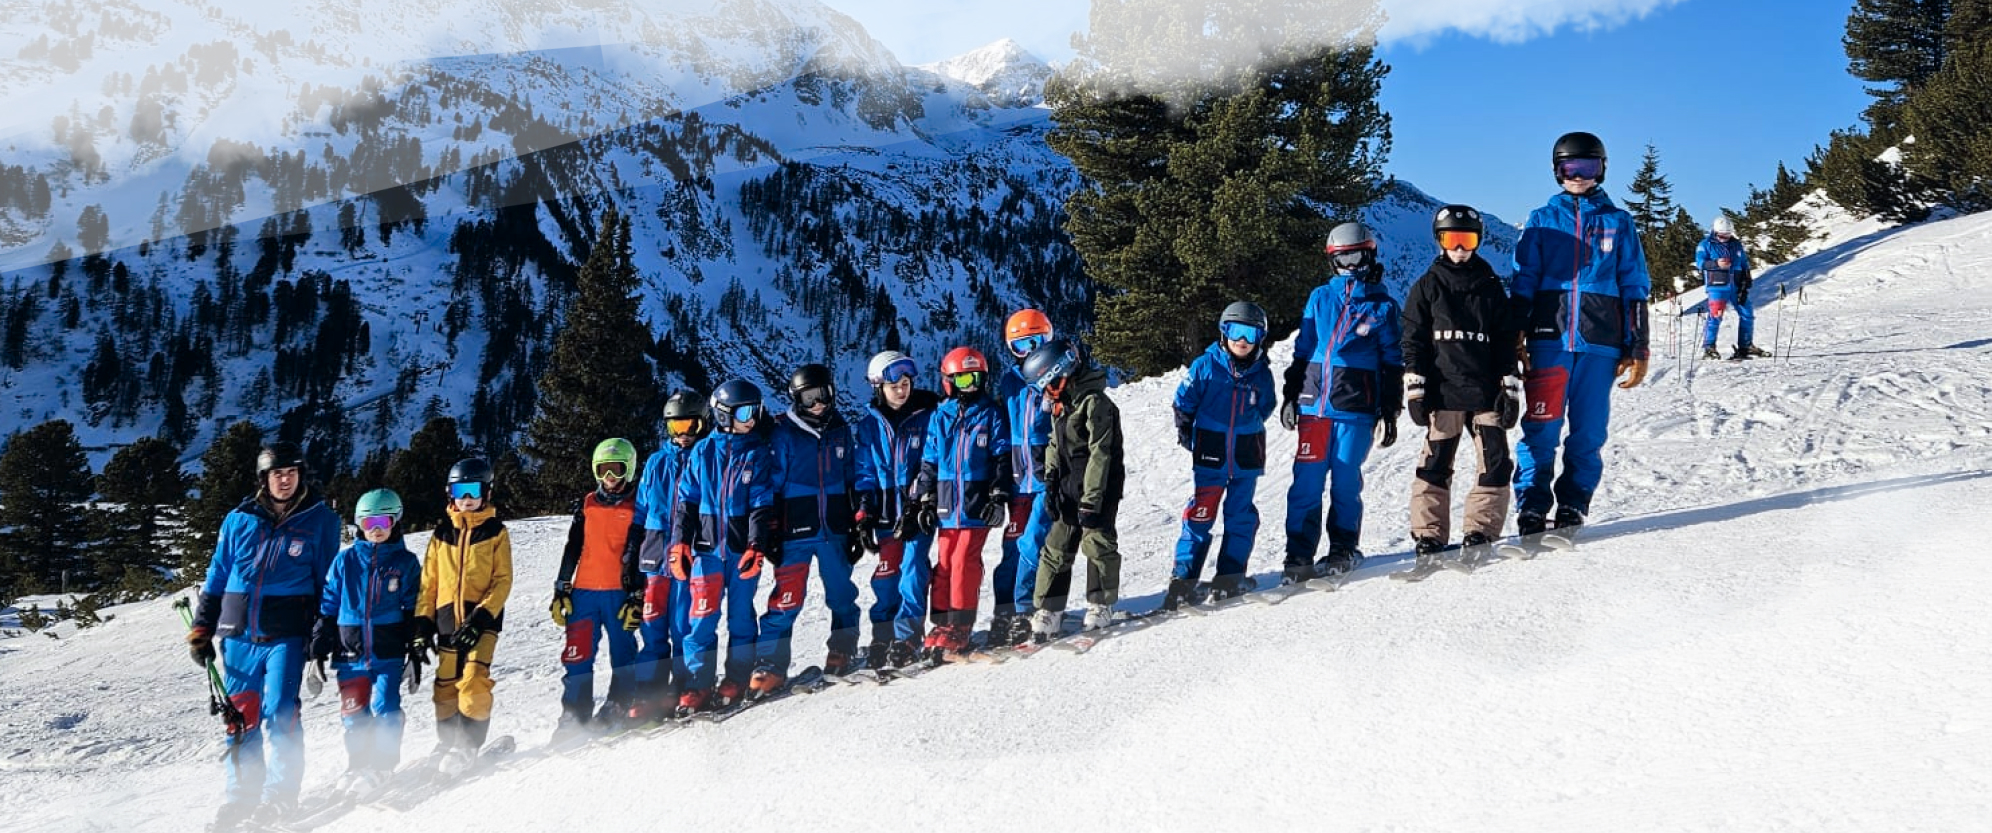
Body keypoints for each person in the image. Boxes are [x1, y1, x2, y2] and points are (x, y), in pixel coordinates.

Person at [186, 442, 341, 829]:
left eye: (291, 472)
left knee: (281, 712)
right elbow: (217, 574)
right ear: (264, 478)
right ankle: (242, 797)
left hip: (286, 635)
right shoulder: (238, 519)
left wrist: (323, 630)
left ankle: (281, 797)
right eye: (277, 473)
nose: (284, 480)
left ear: (300, 476)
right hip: (237, 634)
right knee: (240, 717)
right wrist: (203, 627)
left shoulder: (320, 520)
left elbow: (328, 581)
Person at [1509, 131, 1652, 539]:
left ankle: (1573, 502)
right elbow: (1525, 280)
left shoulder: (1618, 222)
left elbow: (1634, 284)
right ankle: (1532, 505)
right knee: (1542, 427)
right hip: (1548, 339)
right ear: (1556, 171)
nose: (1578, 177)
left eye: (1587, 168)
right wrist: (1517, 332)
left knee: (1588, 430)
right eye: (1569, 169)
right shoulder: (1542, 218)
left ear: (1601, 169)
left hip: (1600, 342)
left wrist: (1637, 345)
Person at [1278, 222, 1404, 584]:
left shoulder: (1382, 306)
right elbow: (1303, 350)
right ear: (1333, 261)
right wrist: (1291, 394)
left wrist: (1389, 410)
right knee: (1306, 482)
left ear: (1369, 256)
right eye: (1342, 259)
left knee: (1346, 480)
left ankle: (1343, 547)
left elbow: (1392, 362)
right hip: (1314, 408)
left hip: (1355, 408)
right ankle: (1298, 554)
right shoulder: (1320, 297)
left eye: (1356, 257)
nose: (1350, 266)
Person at [1400, 205, 1521, 569]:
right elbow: (1413, 340)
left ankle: (1480, 532)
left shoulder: (1489, 286)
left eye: (1466, 240)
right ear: (1440, 242)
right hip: (1443, 391)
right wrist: (1416, 388)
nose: (1459, 248)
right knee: (1435, 463)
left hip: (1485, 391)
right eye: (1452, 240)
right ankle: (1429, 536)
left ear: (1477, 242)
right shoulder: (1427, 286)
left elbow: (1504, 342)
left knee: (1495, 461)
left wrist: (1509, 387)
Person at [667, 379, 778, 715]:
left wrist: (756, 546)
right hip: (705, 552)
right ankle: (698, 684)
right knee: (701, 619)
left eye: (756, 410)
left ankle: (737, 678)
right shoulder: (703, 452)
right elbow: (686, 501)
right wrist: (679, 544)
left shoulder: (757, 453)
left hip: (741, 552)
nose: (753, 418)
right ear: (724, 414)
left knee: (742, 618)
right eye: (746, 411)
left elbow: (762, 502)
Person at [310, 488, 422, 799]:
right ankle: (358, 764)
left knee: (386, 709)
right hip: (349, 654)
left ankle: (383, 765)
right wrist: (318, 647)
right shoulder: (345, 562)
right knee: (353, 713)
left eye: (383, 521)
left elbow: (414, 608)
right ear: (359, 523)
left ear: (395, 521)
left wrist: (414, 650)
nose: (376, 528)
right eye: (369, 521)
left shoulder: (406, 563)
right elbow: (329, 606)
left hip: (387, 652)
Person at [1166, 302, 1277, 609]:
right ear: (1224, 333)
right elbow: (1183, 400)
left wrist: (1244, 429)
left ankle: (1230, 576)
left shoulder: (1261, 374)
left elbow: (1266, 407)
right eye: (1235, 332)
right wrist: (1187, 429)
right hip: (1211, 453)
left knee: (1241, 516)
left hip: (1246, 455)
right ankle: (1183, 580)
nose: (1242, 341)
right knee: (1201, 513)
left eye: (1250, 334)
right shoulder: (1206, 366)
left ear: (1260, 339)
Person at [760, 364, 863, 688]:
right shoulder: (784, 433)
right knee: (785, 600)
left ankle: (843, 647)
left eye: (823, 395)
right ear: (796, 400)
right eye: (808, 398)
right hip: (795, 533)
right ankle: (770, 664)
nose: (817, 404)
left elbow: (851, 480)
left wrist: (857, 523)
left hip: (834, 529)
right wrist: (772, 530)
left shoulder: (840, 429)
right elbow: (772, 486)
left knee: (841, 594)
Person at [910, 347, 1011, 661]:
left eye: (977, 378)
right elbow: (929, 462)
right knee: (944, 564)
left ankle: (960, 625)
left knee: (963, 562)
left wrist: (997, 496)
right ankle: (941, 624)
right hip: (945, 505)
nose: (971, 385)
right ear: (949, 381)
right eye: (964, 378)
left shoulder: (990, 413)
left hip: (975, 504)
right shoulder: (940, 416)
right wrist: (925, 501)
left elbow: (1001, 459)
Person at [1019, 337, 1124, 638]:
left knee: (1098, 544)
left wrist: (1092, 499)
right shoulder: (1062, 405)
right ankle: (1049, 609)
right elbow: (1054, 444)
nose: (1046, 394)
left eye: (1047, 385)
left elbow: (1100, 454)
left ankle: (1100, 603)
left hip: (1099, 488)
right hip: (1067, 487)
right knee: (1056, 547)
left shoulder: (1095, 403)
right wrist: (1050, 482)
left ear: (1062, 374)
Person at [415, 457, 513, 777]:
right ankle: (447, 742)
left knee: (472, 682)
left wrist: (482, 618)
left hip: (481, 624)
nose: (466, 498)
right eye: (460, 490)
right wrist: (422, 624)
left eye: (473, 490)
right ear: (450, 494)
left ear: (486, 491)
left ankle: (468, 743)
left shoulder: (496, 532)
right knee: (445, 687)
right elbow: (429, 584)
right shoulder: (442, 534)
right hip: (446, 623)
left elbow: (502, 580)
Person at [850, 351, 941, 669]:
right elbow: (864, 474)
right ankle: (882, 636)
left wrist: (924, 500)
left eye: (905, 383)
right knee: (886, 578)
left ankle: (906, 637)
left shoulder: (927, 416)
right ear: (878, 388)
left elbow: (935, 461)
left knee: (913, 571)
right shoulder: (868, 427)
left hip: (916, 514)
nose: (902, 390)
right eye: (894, 386)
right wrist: (864, 514)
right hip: (887, 515)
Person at [549, 439, 645, 736]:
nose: (610, 478)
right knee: (577, 654)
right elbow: (573, 546)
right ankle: (574, 712)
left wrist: (637, 595)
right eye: (603, 470)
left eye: (616, 470)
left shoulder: (638, 505)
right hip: (584, 593)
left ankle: (619, 703)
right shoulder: (588, 503)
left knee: (623, 653)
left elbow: (642, 552)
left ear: (628, 470)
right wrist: (562, 587)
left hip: (619, 592)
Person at [629, 390, 710, 721]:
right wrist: (633, 548)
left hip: (686, 555)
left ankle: (686, 685)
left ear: (702, 423)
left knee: (682, 626)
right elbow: (642, 508)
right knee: (651, 627)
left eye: (689, 424)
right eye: (675, 427)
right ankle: (649, 690)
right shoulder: (656, 461)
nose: (683, 434)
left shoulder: (704, 457)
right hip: (654, 555)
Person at [992, 309, 1056, 647]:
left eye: (1035, 342)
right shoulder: (1010, 381)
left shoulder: (1057, 376)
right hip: (1019, 481)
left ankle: (1024, 610)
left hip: (1046, 477)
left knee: (1034, 543)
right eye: (1020, 346)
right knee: (1012, 547)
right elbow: (1004, 426)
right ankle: (1003, 612)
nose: (1029, 351)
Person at [1698, 216, 1767, 360]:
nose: (1725, 238)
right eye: (1722, 235)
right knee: (1716, 316)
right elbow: (1700, 263)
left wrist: (1747, 278)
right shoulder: (1705, 244)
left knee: (1747, 313)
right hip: (1717, 286)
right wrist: (1716, 263)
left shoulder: (1736, 244)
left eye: (1728, 235)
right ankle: (1709, 347)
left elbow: (1744, 262)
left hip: (1736, 285)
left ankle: (1745, 346)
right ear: (1715, 232)